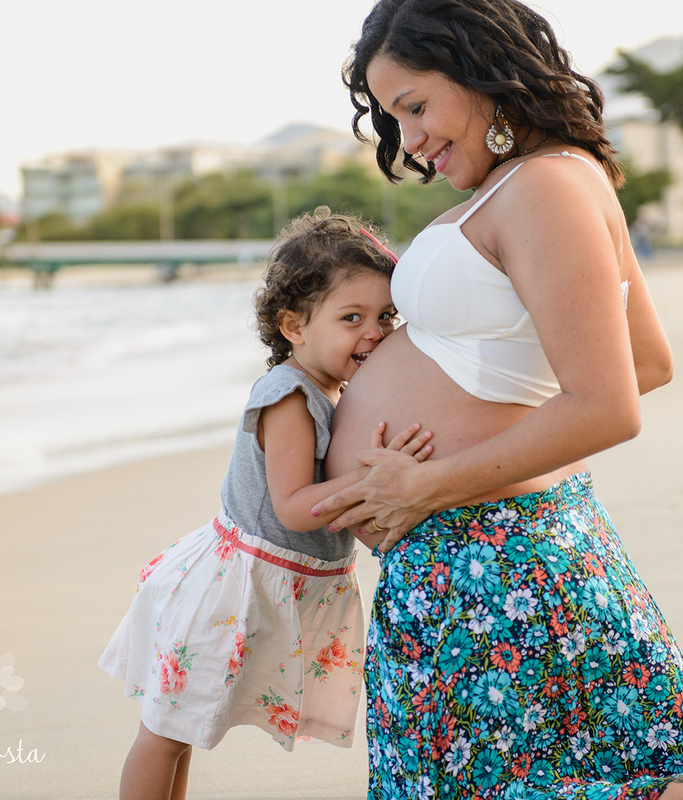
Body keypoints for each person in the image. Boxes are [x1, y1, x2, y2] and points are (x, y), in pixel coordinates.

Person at [313, 1, 683, 798]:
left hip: (494, 563)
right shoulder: (542, 181)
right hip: (498, 555)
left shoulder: (545, 187)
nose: (410, 138)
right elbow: (648, 361)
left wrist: (426, 484)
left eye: (416, 106)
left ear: (477, 68)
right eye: (394, 119)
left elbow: (610, 403)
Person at [98, 209, 432, 800]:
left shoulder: (337, 392)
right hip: (236, 590)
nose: (375, 332)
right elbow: (294, 507)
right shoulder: (289, 396)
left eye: (387, 316)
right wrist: (376, 481)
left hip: (277, 584)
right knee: (166, 733)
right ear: (293, 325)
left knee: (183, 731)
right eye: (351, 317)